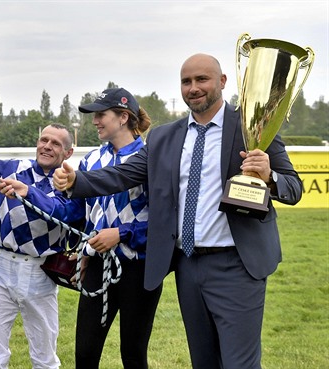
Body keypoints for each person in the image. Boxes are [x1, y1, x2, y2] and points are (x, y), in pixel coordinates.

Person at [53, 54, 303, 369]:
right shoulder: (164, 137)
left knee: (239, 363)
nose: (193, 88)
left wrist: (270, 176)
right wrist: (78, 181)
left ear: (222, 82)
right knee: (203, 362)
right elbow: (122, 175)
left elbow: (293, 188)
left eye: (202, 80)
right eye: (186, 81)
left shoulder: (252, 126)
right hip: (187, 266)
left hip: (237, 265)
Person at [0, 88, 162, 369]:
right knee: (85, 355)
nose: (95, 121)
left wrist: (121, 233)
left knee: (133, 355)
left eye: (101, 115)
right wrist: (29, 193)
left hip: (139, 269)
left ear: (123, 117)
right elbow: (71, 214)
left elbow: (163, 222)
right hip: (97, 266)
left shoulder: (151, 159)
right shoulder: (90, 161)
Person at [0, 123, 77, 369]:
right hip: (0, 267)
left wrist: (27, 193)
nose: (46, 146)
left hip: (40, 272)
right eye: (44, 139)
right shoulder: (13, 168)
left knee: (45, 356)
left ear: (68, 152)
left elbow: (61, 213)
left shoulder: (70, 182)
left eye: (55, 143)